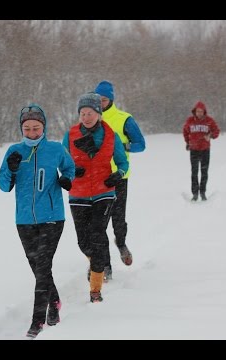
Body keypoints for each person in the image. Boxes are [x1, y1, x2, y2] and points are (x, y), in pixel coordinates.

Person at [0, 104, 75, 339]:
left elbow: (70, 168)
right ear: (21, 129)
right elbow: (3, 186)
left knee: (42, 267)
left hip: (52, 218)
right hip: (23, 220)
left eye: (36, 128)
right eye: (27, 128)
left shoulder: (55, 149)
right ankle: (55, 300)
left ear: (44, 127)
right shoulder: (14, 151)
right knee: (38, 267)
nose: (32, 133)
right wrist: (11, 169)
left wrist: (66, 180)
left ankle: (37, 321)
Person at [62, 93, 129, 303]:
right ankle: (98, 262)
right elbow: (62, 161)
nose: (86, 117)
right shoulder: (70, 135)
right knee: (83, 242)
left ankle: (96, 289)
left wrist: (117, 175)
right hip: (78, 194)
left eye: (89, 113)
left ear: (98, 114)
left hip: (104, 192)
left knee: (98, 234)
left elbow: (122, 162)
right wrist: (73, 170)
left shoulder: (110, 136)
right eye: (82, 113)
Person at [94, 80, 146, 281]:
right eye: (97, 99)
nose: (100, 103)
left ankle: (121, 243)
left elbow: (141, 144)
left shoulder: (124, 119)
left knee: (118, 218)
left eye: (104, 99)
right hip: (97, 178)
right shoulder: (90, 118)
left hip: (119, 176)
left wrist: (123, 147)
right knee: (99, 223)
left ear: (111, 99)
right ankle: (104, 265)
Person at [183, 101, 220, 201]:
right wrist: (188, 142)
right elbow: (185, 131)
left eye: (201, 111)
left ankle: (203, 192)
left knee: (204, 172)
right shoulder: (190, 121)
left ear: (204, 112)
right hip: (194, 150)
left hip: (205, 150)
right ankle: (195, 193)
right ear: (195, 111)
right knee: (194, 172)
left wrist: (210, 135)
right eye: (197, 111)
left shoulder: (209, 121)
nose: (199, 113)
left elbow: (217, 131)